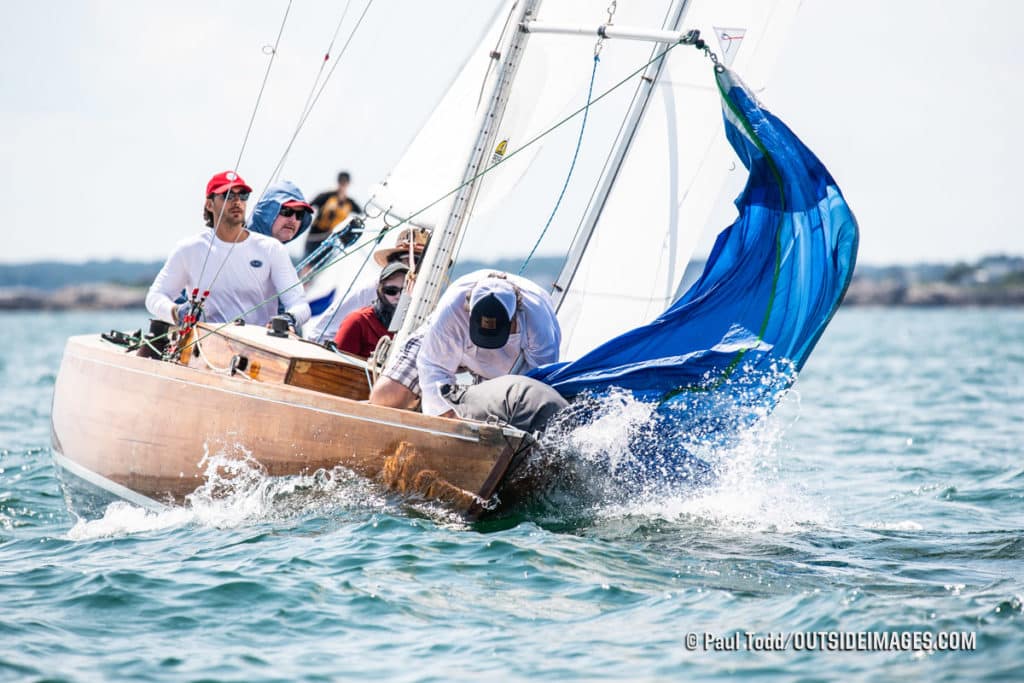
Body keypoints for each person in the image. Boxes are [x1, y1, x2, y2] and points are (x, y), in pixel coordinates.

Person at [369, 270, 561, 417]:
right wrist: (446, 415)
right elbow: (433, 367)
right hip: (451, 342)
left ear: (515, 316)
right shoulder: (452, 310)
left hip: (508, 365)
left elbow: (540, 382)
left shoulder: (538, 320)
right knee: (385, 396)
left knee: (504, 417)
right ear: (468, 311)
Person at [146, 171, 310, 327]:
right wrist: (176, 312)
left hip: (260, 349)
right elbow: (155, 297)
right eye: (228, 195)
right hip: (203, 347)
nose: (237, 201)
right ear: (210, 204)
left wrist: (289, 318)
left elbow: (299, 305)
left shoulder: (272, 249)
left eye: (243, 196)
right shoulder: (189, 249)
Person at [306, 226, 430, 342]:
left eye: (424, 262)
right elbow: (320, 335)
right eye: (415, 260)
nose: (418, 267)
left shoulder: (427, 297)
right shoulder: (371, 289)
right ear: (395, 261)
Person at [333, 262, 408, 358]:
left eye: (404, 291)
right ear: (380, 290)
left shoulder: (414, 328)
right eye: (391, 291)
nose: (399, 296)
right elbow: (336, 365)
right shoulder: (358, 321)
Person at [305, 171, 363, 259]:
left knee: (320, 267)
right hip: (314, 237)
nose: (342, 185)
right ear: (338, 182)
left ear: (348, 184)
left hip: (331, 239)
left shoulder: (351, 203)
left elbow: (362, 215)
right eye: (341, 182)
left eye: (345, 182)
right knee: (307, 263)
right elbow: (309, 207)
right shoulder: (326, 196)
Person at [248, 180, 314, 244]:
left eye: (300, 214)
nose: (293, 220)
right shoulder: (239, 245)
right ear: (267, 212)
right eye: (286, 211)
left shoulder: (276, 253)